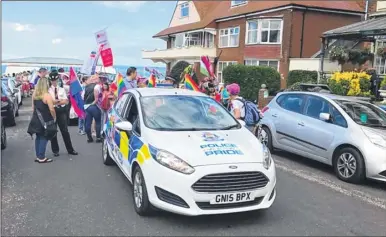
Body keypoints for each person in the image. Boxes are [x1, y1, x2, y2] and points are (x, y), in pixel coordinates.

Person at [48, 71, 78, 156]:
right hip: (52, 111)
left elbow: (66, 101)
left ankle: (70, 149)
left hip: (61, 111)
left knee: (65, 131)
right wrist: (57, 102)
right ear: (50, 81)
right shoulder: (48, 90)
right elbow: (49, 102)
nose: (54, 82)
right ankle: (55, 150)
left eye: (55, 80)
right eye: (52, 80)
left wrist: (55, 102)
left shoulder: (61, 89)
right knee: (53, 131)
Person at [27, 77, 56, 163]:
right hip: (45, 119)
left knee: (38, 137)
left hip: (36, 118)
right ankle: (42, 157)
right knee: (44, 137)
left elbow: (33, 107)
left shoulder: (35, 95)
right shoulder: (47, 95)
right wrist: (54, 117)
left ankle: (38, 156)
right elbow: (51, 109)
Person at [84, 75, 103, 143]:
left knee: (87, 123)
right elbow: (101, 96)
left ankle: (89, 138)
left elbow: (82, 96)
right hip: (95, 106)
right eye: (98, 78)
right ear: (95, 79)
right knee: (98, 122)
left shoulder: (86, 87)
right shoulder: (97, 86)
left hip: (87, 106)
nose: (99, 79)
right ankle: (98, 137)